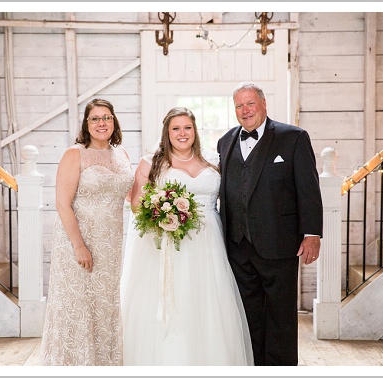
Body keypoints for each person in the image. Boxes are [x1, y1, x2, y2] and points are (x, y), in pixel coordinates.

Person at [119, 107, 253, 365]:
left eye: (187, 128)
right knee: (176, 300)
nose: (182, 133)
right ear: (167, 133)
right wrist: (160, 208)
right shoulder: (152, 162)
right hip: (170, 245)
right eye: (176, 129)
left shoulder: (214, 159)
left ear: (195, 130)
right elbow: (136, 205)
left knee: (207, 304)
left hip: (209, 243)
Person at [217, 82, 323, 366]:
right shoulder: (225, 141)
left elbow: (308, 189)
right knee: (247, 314)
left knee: (280, 317)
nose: (245, 110)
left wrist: (312, 233)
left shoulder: (294, 138)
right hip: (237, 245)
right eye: (239, 106)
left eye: (250, 103)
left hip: (279, 243)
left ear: (263, 104)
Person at [40, 99, 133, 365]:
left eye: (106, 117)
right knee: (77, 304)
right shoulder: (75, 154)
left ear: (114, 121)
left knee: (104, 305)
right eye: (95, 118)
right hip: (78, 240)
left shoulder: (122, 155)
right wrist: (79, 246)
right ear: (87, 124)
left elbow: (131, 197)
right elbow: (62, 204)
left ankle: (104, 363)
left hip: (111, 243)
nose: (101, 123)